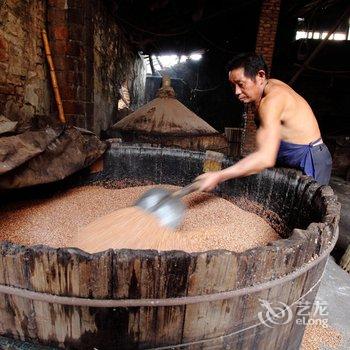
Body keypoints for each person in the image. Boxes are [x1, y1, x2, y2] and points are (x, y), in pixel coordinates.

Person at [196, 53, 332, 191]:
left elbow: (266, 158)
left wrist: (218, 176)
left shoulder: (272, 101)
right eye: (233, 86)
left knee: (306, 206)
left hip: (309, 158)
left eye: (241, 84)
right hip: (287, 154)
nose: (236, 92)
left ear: (260, 76)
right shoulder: (265, 88)